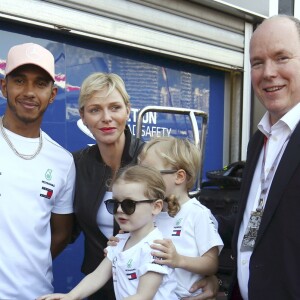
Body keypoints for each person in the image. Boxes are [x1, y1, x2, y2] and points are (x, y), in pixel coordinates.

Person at [194, 14, 300, 300]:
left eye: (281, 57)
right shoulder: (260, 140)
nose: (267, 72)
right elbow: (257, 222)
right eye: (257, 62)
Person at [0, 43, 75, 299]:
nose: (29, 92)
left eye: (40, 84)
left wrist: (27, 264)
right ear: (4, 87)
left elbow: (62, 232)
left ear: (52, 94)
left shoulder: (62, 161)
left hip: (36, 295)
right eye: (20, 81)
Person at [38, 165, 178, 300]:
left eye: (129, 204)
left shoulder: (156, 248)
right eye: (114, 203)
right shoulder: (120, 241)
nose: (119, 210)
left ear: (156, 206)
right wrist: (71, 296)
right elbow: (97, 276)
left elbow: (143, 296)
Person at [72, 72, 144, 299]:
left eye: (115, 107)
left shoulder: (150, 159)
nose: (106, 118)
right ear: (82, 116)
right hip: (97, 288)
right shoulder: (77, 164)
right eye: (95, 110)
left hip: (146, 286)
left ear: (128, 110)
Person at [138, 136, 224, 299]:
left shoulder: (198, 213)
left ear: (179, 176)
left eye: (149, 173)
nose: (143, 179)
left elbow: (211, 263)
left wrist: (179, 260)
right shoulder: (147, 212)